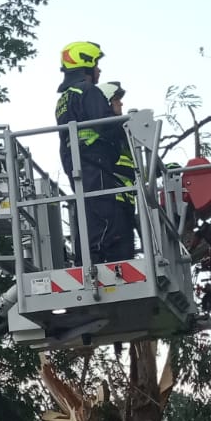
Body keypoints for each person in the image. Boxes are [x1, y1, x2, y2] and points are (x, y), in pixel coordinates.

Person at [55, 41, 137, 264]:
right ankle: (101, 258)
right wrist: (124, 129)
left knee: (89, 209)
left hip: (76, 161)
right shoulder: (88, 91)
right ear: (87, 64)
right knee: (103, 210)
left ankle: (89, 257)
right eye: (97, 64)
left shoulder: (64, 98)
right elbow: (105, 124)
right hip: (95, 159)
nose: (99, 70)